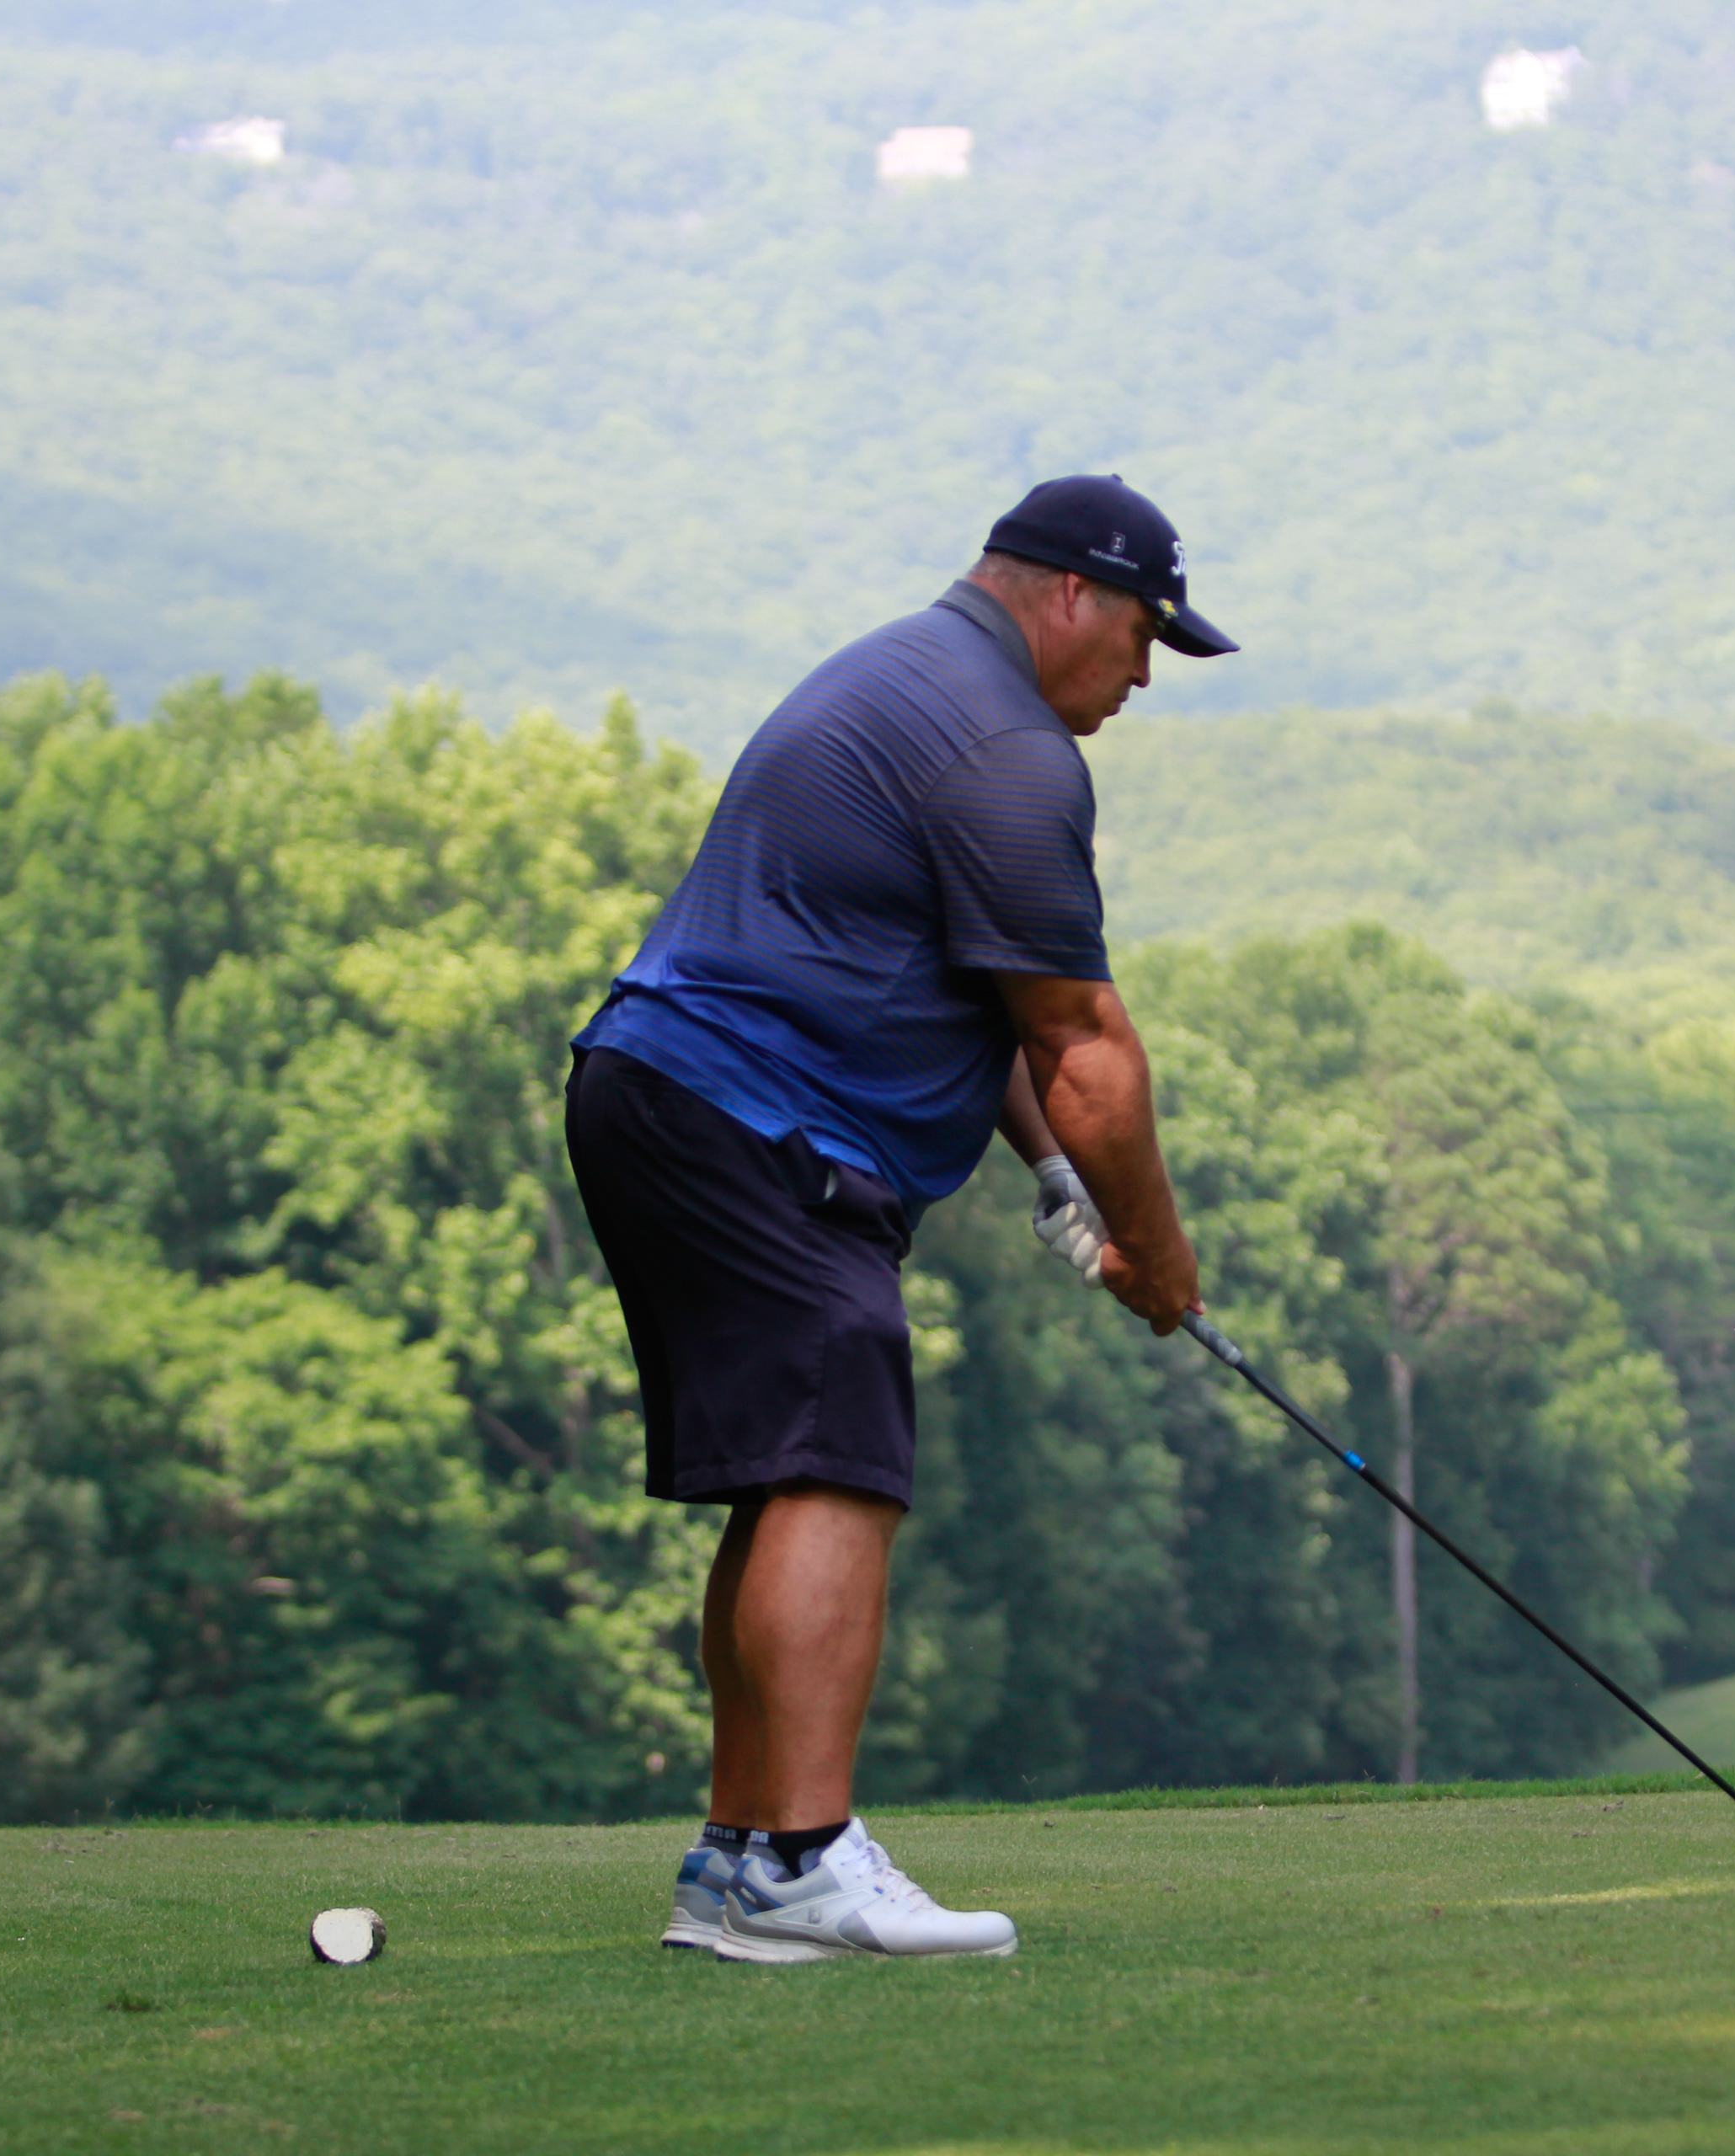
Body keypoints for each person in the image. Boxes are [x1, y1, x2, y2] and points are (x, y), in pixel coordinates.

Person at [564, 474, 1236, 1962]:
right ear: (1072, 592)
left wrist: (1058, 1180)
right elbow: (1083, 1045)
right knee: (835, 1461)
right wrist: (1157, 1253)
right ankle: (804, 1862)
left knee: (787, 1473)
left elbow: (973, 1002)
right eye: (1143, 635)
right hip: (753, 1119)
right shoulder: (1008, 749)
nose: (1143, 674)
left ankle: (741, 1864)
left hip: (658, 1095)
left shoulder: (911, 677)